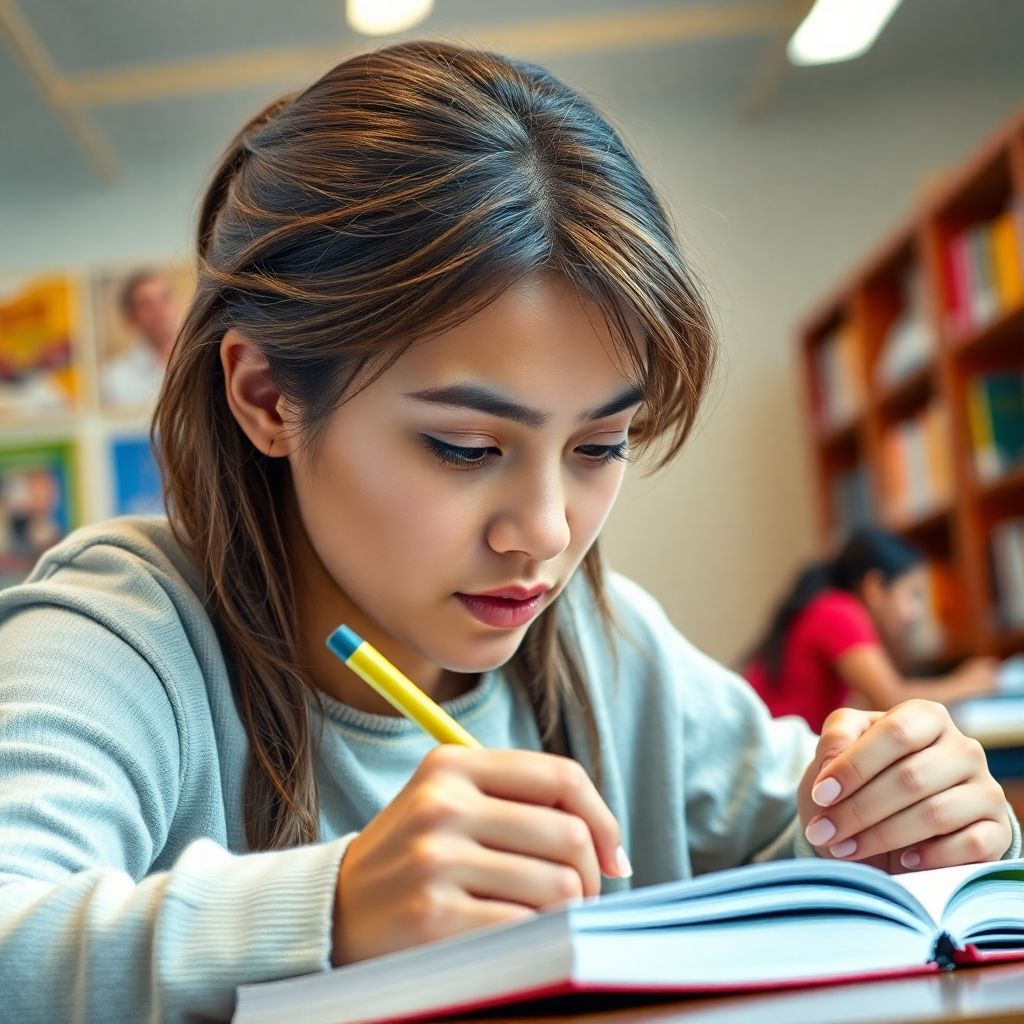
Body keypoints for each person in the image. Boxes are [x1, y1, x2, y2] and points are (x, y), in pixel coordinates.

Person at [0, 42, 1017, 1024]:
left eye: (600, 444)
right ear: (266, 396)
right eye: (463, 446)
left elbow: (803, 841)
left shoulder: (603, 645)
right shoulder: (127, 629)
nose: (542, 534)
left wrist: (908, 820)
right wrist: (334, 908)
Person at [742, 528, 998, 733]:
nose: (915, 613)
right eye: (913, 594)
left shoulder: (824, 607)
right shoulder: (839, 612)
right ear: (874, 588)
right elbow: (893, 698)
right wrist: (969, 683)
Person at [99, 268, 182, 407]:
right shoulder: (114, 378)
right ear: (131, 320)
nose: (159, 309)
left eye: (164, 298)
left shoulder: (204, 360)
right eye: (146, 303)